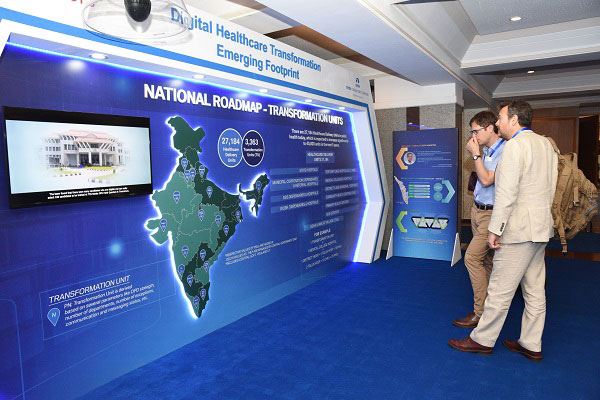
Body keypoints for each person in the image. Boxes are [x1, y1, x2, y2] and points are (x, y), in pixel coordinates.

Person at [449, 100, 558, 361]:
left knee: (499, 290)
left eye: (500, 118)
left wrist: (495, 230)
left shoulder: (514, 147)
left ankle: (481, 340)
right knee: (534, 291)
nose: (498, 123)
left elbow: (506, 194)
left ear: (514, 120)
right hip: (540, 228)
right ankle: (531, 343)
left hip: (518, 231)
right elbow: (551, 187)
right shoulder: (546, 144)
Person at [453, 111, 505, 329]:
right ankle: (490, 307)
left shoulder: (505, 151)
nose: (473, 136)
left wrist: (476, 155)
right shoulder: (487, 150)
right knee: (486, 260)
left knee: (472, 258)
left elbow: (486, 180)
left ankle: (480, 313)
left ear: (490, 128)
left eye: (476, 131)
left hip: (492, 215)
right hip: (478, 211)